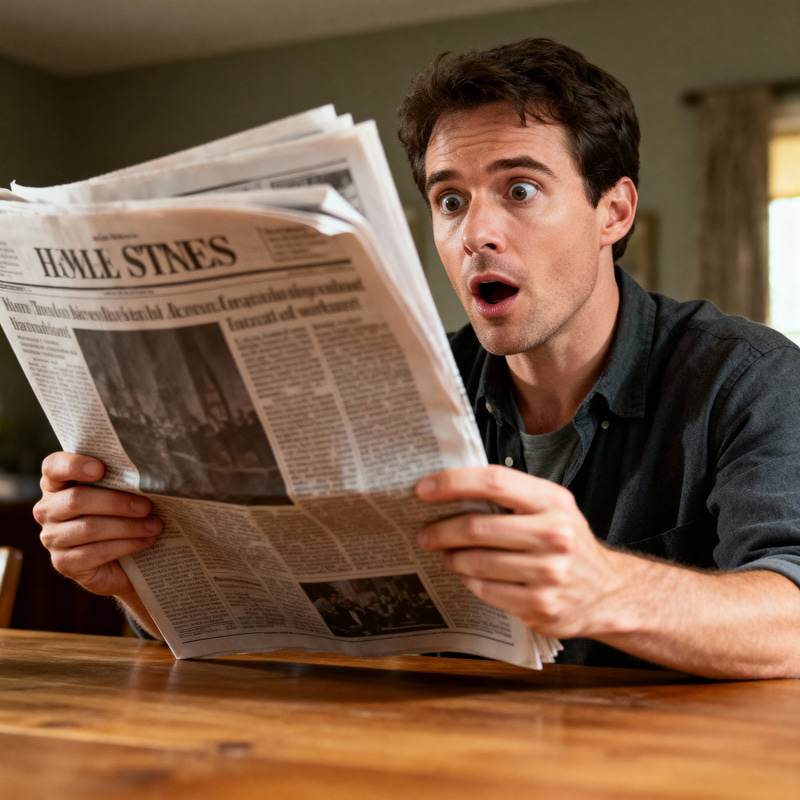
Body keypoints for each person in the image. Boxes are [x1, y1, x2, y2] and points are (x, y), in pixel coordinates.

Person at [34, 38, 800, 678]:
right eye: (451, 200)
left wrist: (603, 589)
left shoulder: (749, 379)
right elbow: (301, 647)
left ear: (614, 210)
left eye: (521, 189)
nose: (476, 234)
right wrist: (138, 584)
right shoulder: (413, 385)